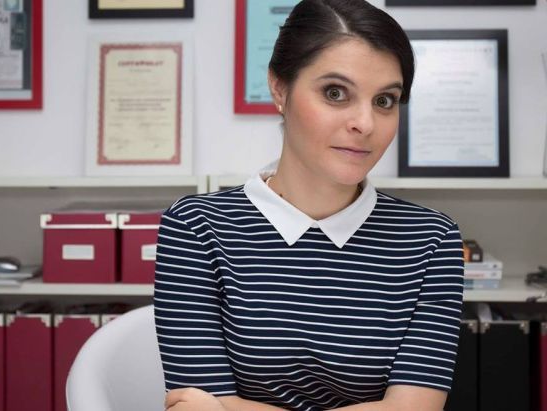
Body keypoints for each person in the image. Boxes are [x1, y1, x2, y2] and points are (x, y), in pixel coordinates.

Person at [154, 0, 464, 410]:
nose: (365, 124)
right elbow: (196, 400)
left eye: (385, 101)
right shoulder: (196, 227)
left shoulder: (431, 239)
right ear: (279, 88)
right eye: (335, 93)